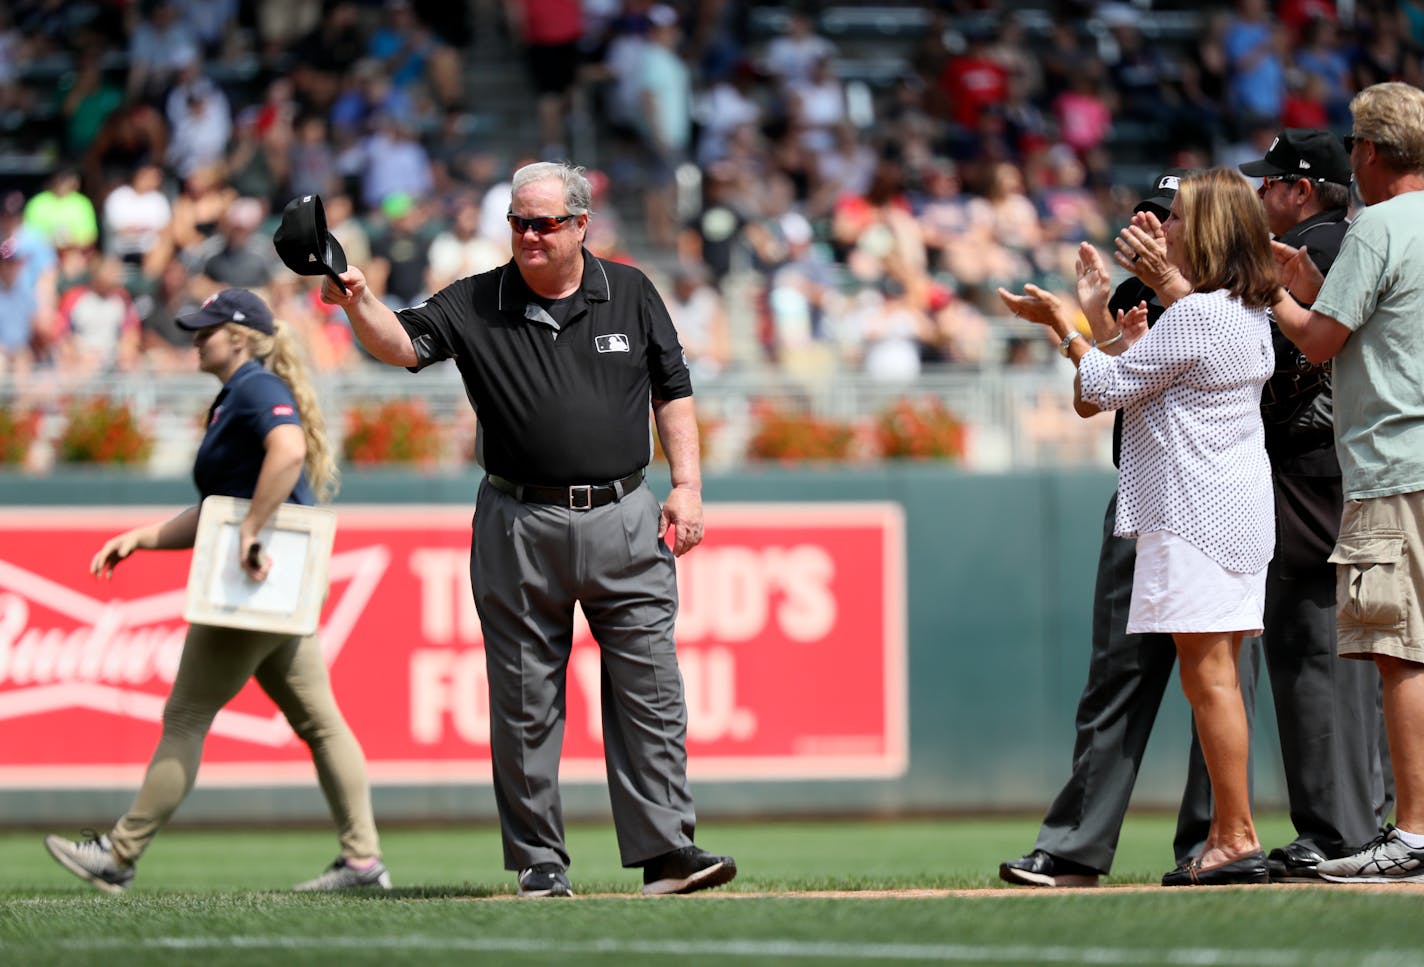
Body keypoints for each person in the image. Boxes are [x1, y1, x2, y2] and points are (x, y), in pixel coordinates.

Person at [320, 161, 736, 898]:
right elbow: (402, 344)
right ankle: (540, 862)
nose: (530, 234)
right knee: (524, 697)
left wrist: (689, 486)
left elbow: (674, 389)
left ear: (581, 225)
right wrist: (358, 301)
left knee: (652, 689)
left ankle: (668, 852)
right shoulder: (479, 298)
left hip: (625, 512)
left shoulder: (631, 291)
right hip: (519, 518)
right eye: (519, 221)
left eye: (545, 221)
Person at [43, 289, 391, 894]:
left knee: (186, 716)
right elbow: (219, 510)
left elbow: (288, 451)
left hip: (255, 579)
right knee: (322, 723)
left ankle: (120, 854)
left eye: (207, 330)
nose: (196, 339)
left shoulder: (254, 389)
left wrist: (253, 529)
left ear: (239, 338)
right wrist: (146, 537)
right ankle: (362, 862)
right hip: (273, 582)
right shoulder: (239, 393)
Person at [1003, 168, 1277, 887]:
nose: (1165, 226)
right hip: (1221, 512)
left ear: (1210, 231)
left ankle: (1236, 834)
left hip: (1195, 515)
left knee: (1210, 676)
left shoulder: (1200, 314)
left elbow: (1101, 387)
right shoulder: (1237, 310)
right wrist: (1114, 322)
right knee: (1210, 676)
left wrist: (1066, 324)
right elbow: (1136, 380)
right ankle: (1225, 833)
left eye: (1180, 216)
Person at [1271, 82, 1424, 883]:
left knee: (1400, 653)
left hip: (1394, 466)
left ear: (1369, 151)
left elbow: (1323, 341)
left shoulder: (1377, 226)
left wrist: (1273, 293)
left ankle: (1415, 831)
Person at [1233, 129, 1386, 880]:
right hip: (1347, 464)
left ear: (1300, 189)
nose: (1262, 195)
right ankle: (1363, 818)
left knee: (1308, 641)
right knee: (1350, 647)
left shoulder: (1315, 246)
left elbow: (1301, 358)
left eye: (1271, 184)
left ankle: (1334, 829)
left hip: (1307, 465)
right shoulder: (1353, 236)